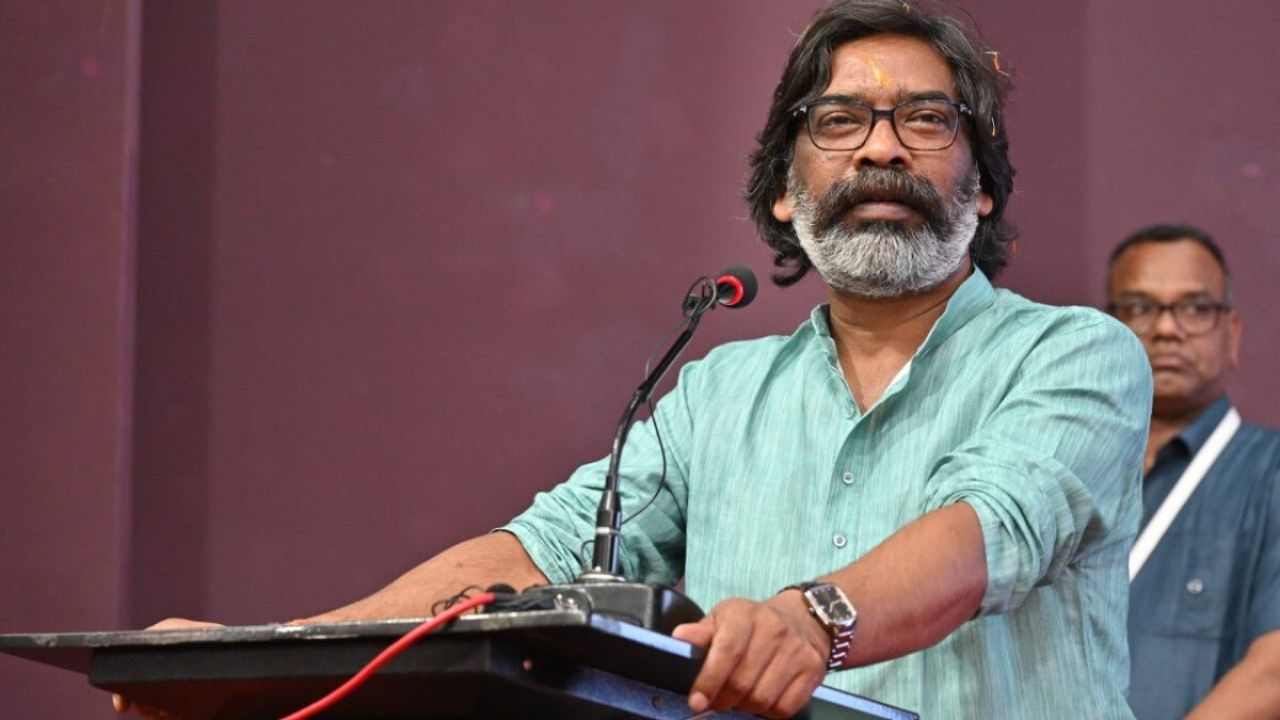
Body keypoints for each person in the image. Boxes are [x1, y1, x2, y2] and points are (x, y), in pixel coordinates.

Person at [118, 1, 1153, 718]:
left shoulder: (1077, 356)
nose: (881, 148)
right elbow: (539, 556)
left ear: (983, 185)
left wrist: (811, 622)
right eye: (839, 121)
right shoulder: (717, 395)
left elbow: (991, 527)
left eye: (925, 120)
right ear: (784, 192)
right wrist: (284, 655)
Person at [1106, 224, 1280, 720]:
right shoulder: (1066, 471)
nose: (1166, 328)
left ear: (1233, 334)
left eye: (1196, 309)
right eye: (1139, 308)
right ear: (1103, 332)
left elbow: (1274, 672)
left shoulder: (1270, 474)